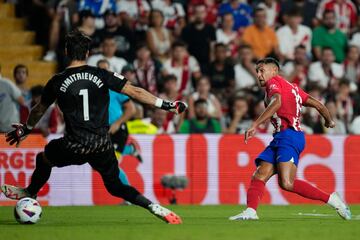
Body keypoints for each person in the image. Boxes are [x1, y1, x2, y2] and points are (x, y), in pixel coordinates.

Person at [2, 30, 187, 224]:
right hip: (102, 145)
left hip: (74, 145)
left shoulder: (57, 81)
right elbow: (135, 91)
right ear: (87, 53)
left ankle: (30, 192)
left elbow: (39, 109)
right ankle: (152, 206)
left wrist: (26, 128)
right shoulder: (102, 74)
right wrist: (167, 105)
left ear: (66, 51)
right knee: (115, 186)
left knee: (45, 158)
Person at [228, 57, 351, 221]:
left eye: (262, 70)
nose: (258, 74)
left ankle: (333, 200)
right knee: (259, 175)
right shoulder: (293, 88)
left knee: (286, 183)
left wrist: (255, 124)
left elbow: (277, 102)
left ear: (274, 71)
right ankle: (251, 211)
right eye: (257, 71)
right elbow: (319, 105)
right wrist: (329, 120)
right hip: (283, 137)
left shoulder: (274, 84)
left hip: (289, 136)